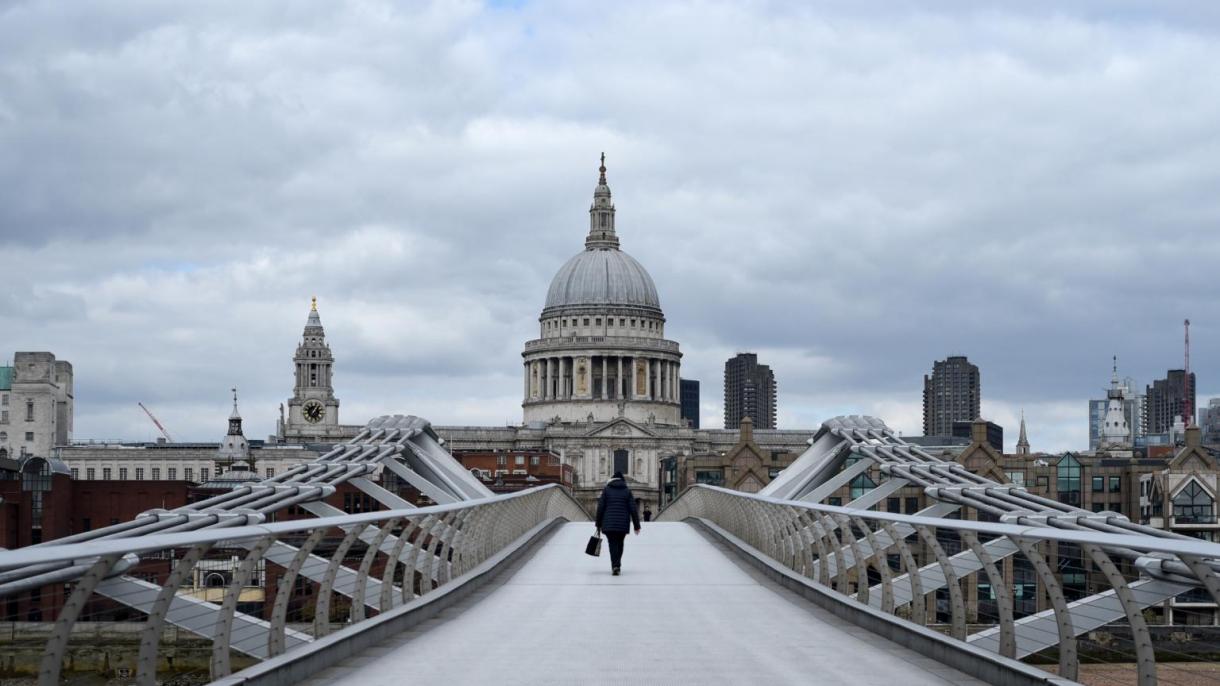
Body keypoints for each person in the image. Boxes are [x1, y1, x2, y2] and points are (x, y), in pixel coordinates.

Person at [595, 470, 641, 575]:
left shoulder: (606, 490)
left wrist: (598, 523)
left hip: (608, 523)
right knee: (620, 543)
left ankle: (615, 565)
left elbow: (600, 508)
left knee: (612, 544)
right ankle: (617, 565)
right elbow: (633, 509)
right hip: (623, 524)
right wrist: (636, 526)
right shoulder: (627, 491)